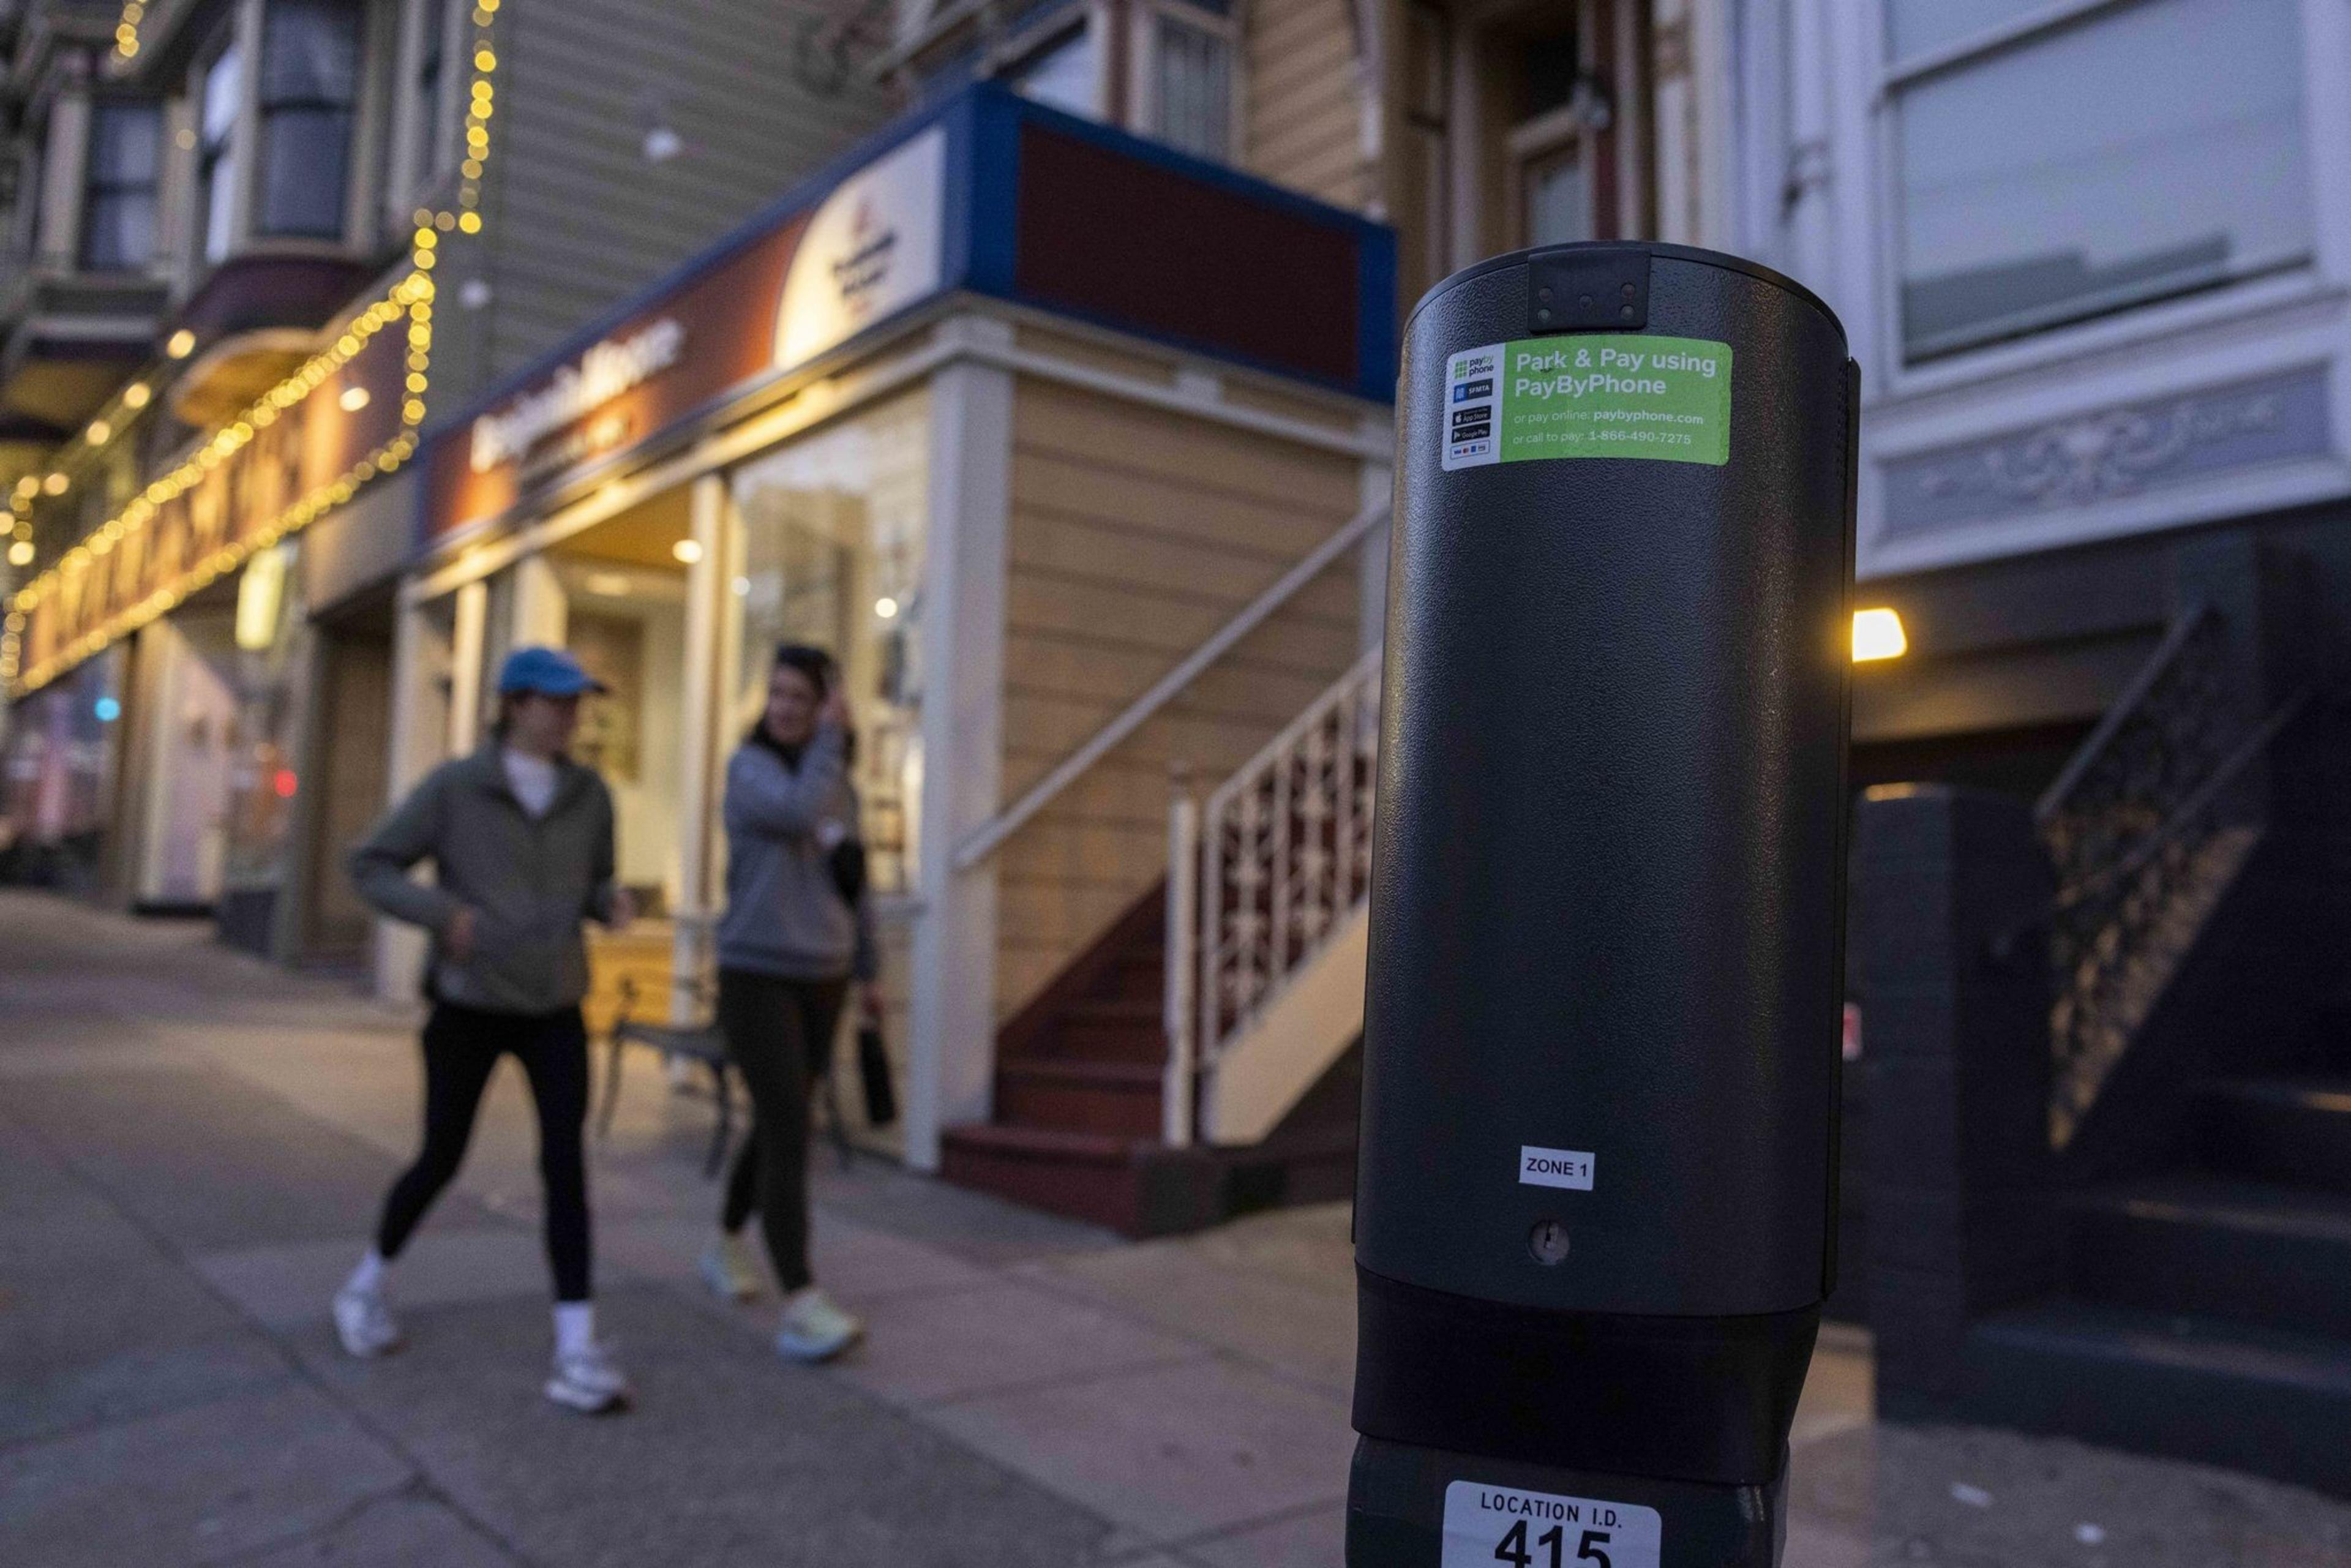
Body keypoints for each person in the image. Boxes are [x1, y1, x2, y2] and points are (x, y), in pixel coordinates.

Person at [335, 645, 637, 1414]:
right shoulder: (456, 787)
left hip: (556, 1003)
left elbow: (595, 879)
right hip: (469, 1002)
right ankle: (366, 1284)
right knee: (441, 1155)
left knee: (565, 1167)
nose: (570, 715)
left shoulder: (590, 795)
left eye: (576, 702)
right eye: (556, 701)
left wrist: (608, 902)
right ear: (515, 704)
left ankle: (576, 1346)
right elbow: (371, 863)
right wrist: (443, 916)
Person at [698, 643, 879, 1361]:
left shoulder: (840, 785)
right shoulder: (750, 770)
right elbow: (795, 807)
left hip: (824, 974)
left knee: (783, 1116)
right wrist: (832, 740)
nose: (784, 707)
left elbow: (856, 882)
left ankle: (724, 1242)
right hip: (756, 971)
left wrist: (870, 970)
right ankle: (801, 1301)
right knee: (788, 1125)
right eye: (777, 694)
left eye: (801, 697)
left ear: (824, 705)